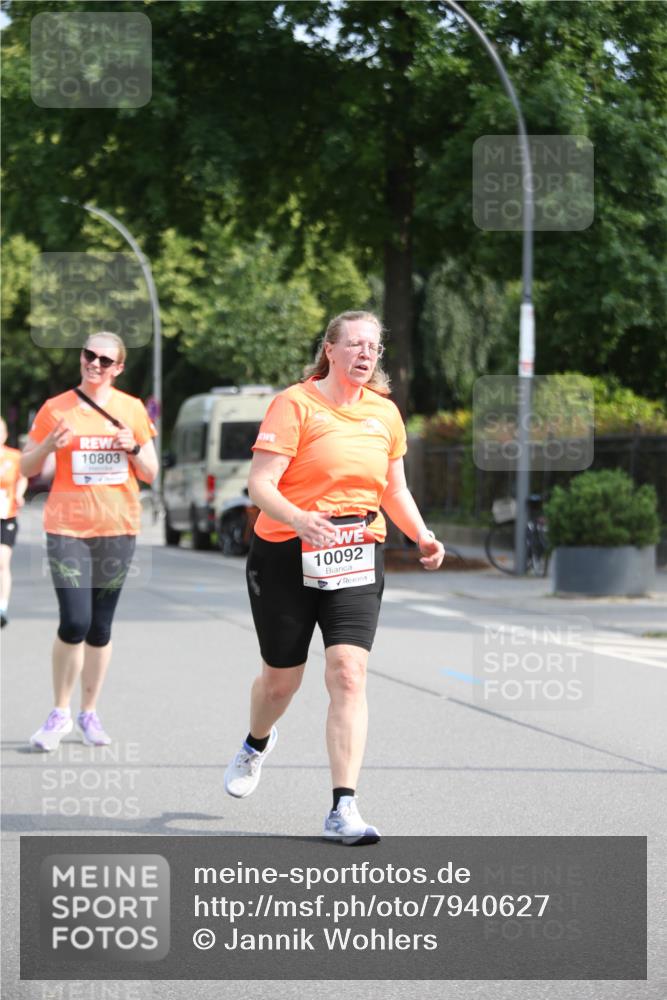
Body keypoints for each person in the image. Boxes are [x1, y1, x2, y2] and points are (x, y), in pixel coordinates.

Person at [224, 310, 444, 845]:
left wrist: (421, 535)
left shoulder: (384, 413)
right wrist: (299, 519)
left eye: (374, 346)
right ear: (330, 349)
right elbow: (260, 484)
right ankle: (256, 742)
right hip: (285, 553)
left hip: (355, 552)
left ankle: (343, 806)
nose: (366, 354)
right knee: (281, 681)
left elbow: (393, 488)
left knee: (348, 672)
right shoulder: (295, 404)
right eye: (355, 344)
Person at [21, 332, 158, 751]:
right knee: (75, 621)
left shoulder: (131, 409)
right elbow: (26, 467)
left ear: (118, 368)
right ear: (81, 357)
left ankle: (89, 712)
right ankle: (60, 711)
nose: (95, 363)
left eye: (105, 360)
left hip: (118, 529)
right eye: (89, 355)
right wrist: (48, 445)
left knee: (99, 627)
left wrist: (133, 447)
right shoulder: (55, 408)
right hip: (67, 529)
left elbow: (150, 472)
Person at [0, 416, 28, 627]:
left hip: (6, 515)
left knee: (2, 561)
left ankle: (2, 606)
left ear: (5, 434)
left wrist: (19, 493)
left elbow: (23, 477)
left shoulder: (14, 456)